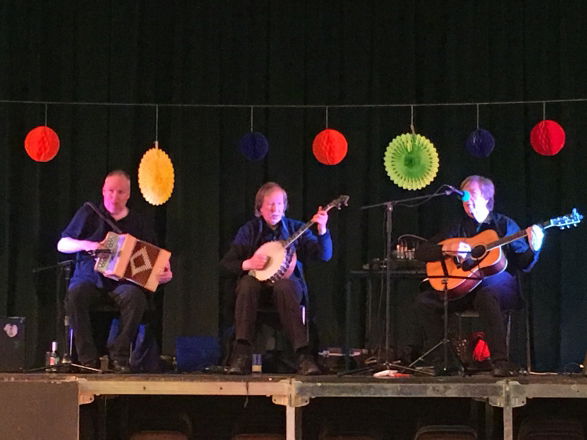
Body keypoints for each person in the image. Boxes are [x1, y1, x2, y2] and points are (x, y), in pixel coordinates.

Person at [412, 175, 544, 377]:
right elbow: (421, 252)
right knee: (424, 302)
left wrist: (534, 248)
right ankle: (447, 362)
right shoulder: (457, 227)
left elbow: (524, 264)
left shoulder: (505, 225)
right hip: (464, 290)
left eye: (472, 194)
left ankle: (500, 362)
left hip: (502, 289)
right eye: (464, 196)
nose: (467, 200)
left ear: (487, 197)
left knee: (486, 296)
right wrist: (446, 248)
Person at [57, 170, 172, 373]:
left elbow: (154, 260)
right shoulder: (89, 213)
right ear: (103, 191)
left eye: (120, 192)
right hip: (90, 280)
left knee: (135, 298)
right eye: (110, 191)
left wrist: (165, 275)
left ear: (128, 195)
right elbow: (62, 244)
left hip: (122, 284)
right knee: (75, 295)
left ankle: (120, 356)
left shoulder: (138, 222)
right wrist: (88, 244)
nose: (114, 197)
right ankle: (87, 359)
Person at [220, 182, 333, 375]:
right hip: (257, 292)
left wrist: (322, 230)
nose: (275, 209)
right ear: (260, 208)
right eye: (270, 204)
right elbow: (226, 265)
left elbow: (325, 255)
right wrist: (248, 263)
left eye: (279, 204)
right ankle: (241, 355)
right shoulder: (249, 230)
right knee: (247, 284)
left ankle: (303, 357)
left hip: (287, 290)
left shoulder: (296, 229)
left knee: (284, 286)